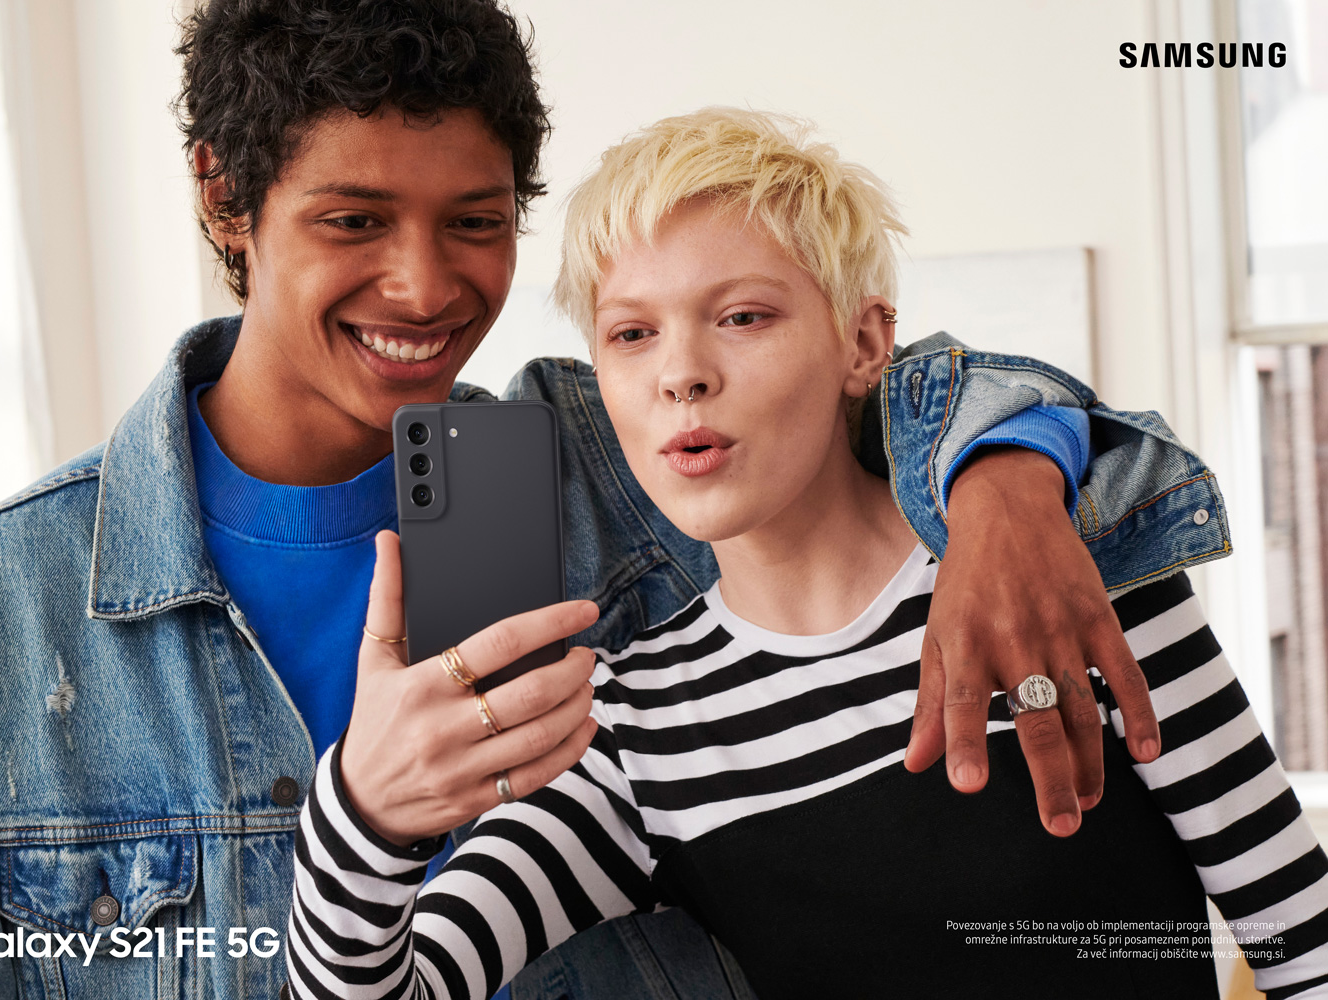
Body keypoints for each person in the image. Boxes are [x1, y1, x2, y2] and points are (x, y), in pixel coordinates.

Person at [0, 3, 1226, 998]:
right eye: (354, 221)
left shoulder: (625, 454)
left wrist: (1007, 479)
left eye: (475, 221)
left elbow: (897, 382)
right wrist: (362, 810)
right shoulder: (1, 607)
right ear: (225, 196)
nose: (425, 287)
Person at [288, 108, 1328, 1000]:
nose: (682, 375)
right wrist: (362, 812)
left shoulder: (1057, 583)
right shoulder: (632, 731)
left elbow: (1303, 943)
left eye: (742, 316)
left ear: (864, 343)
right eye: (632, 334)